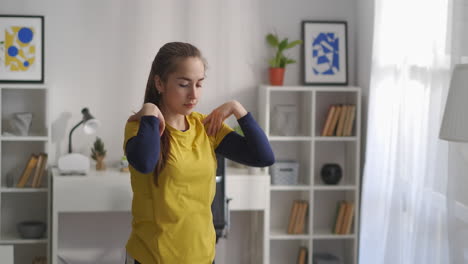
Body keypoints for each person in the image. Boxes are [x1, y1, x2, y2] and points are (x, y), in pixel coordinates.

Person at [123, 42, 274, 264]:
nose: (193, 94)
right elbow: (145, 162)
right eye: (184, 84)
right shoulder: (139, 127)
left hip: (203, 256)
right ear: (159, 83)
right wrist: (149, 112)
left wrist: (237, 109)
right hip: (154, 258)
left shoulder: (205, 127)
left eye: (199, 84)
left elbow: (264, 158)